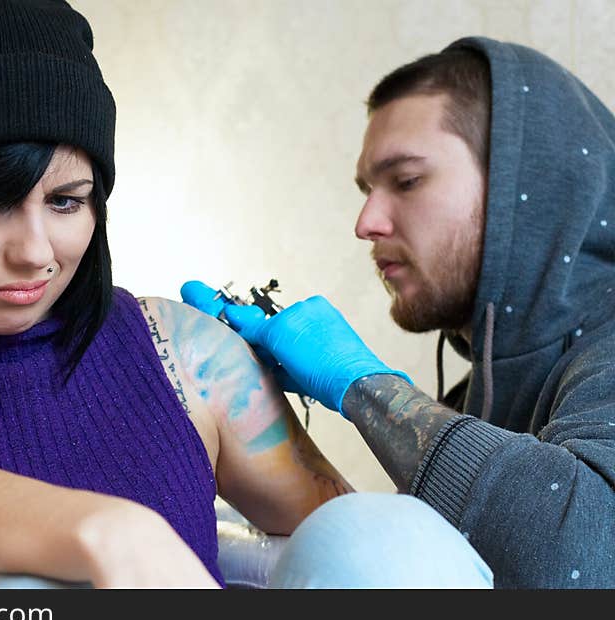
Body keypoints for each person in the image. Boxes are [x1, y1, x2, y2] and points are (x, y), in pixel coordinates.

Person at [0, 0, 357, 590]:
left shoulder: (184, 351)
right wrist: (103, 532)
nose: (34, 252)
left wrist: (369, 392)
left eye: (66, 202)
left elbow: (353, 547)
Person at [184, 36, 615, 588]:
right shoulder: (476, 399)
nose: (366, 222)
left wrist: (366, 386)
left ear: (521, 185)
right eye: (367, 190)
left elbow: (585, 558)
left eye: (406, 181)